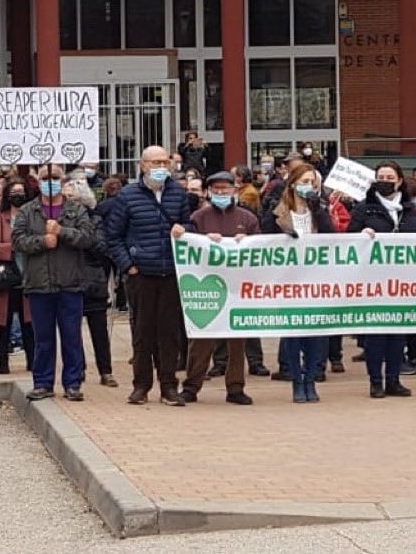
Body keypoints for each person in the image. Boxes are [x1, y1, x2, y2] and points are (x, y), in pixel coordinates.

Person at [102, 145, 194, 406]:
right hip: (141, 274)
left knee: (169, 334)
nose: (161, 167)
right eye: (156, 163)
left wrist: (183, 228)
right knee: (143, 333)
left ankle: (168, 386)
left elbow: (190, 224)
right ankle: (141, 385)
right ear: (142, 165)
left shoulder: (178, 193)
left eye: (165, 162)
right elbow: (113, 236)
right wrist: (128, 265)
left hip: (171, 273)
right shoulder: (128, 195)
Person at [14, 163, 96, 402]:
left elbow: (88, 238)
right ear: (38, 181)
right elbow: (18, 240)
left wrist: (62, 232)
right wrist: (42, 241)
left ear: (63, 181)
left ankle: (72, 383)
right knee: (43, 338)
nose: (50, 181)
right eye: (45, 177)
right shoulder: (28, 211)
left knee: (71, 336)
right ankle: (42, 382)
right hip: (39, 284)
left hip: (70, 283)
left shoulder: (76, 210)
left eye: (55, 177)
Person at [180, 170, 258, 406]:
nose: (221, 192)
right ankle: (192, 386)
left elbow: (261, 250)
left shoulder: (248, 218)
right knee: (202, 339)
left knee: (237, 340)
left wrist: (247, 243)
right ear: (208, 192)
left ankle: (235, 387)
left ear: (234, 190)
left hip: (238, 287)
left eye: (226, 188)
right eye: (216, 189)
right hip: (207, 287)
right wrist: (203, 240)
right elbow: (186, 245)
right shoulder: (199, 217)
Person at [261, 162, 333, 403]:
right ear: (292, 184)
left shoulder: (319, 209)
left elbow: (332, 238)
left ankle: (311, 379)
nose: (309, 187)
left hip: (315, 279)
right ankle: (296, 381)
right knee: (292, 333)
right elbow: (264, 241)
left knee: (315, 333)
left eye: (313, 183)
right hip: (288, 280)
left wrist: (319, 210)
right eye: (304, 182)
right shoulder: (277, 210)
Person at [348, 163, 416, 399]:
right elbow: (349, 239)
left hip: (402, 280)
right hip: (373, 281)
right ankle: (375, 381)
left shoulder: (408, 210)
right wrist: (362, 236)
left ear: (399, 180)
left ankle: (394, 380)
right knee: (376, 334)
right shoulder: (364, 208)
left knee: (397, 334)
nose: (384, 180)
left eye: (389, 177)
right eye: (380, 177)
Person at [68, 177, 120, 387]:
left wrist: (77, 236)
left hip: (93, 281)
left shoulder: (95, 220)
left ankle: (105, 370)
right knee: (72, 331)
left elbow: (100, 247)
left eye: (71, 198)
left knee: (99, 329)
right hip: (69, 279)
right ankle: (78, 368)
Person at [0, 180, 31, 375]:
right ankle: (2, 363)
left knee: (29, 324)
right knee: (2, 324)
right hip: (6, 280)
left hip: (28, 278)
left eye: (21, 191)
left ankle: (33, 361)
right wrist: (12, 248)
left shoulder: (32, 217)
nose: (18, 195)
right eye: (14, 192)